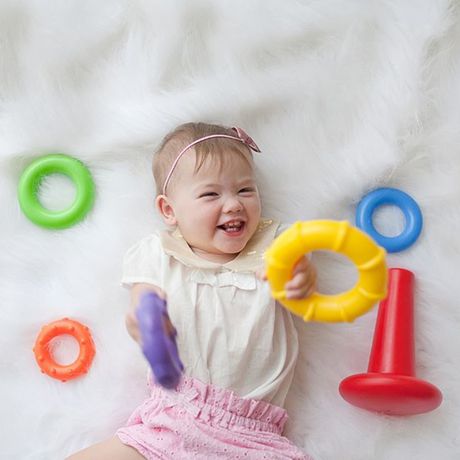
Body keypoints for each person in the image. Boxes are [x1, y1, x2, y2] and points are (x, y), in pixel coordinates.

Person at [68, 122, 316, 459]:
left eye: (245, 190)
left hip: (254, 436)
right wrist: (146, 318)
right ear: (169, 210)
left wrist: (300, 279)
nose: (234, 204)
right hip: (176, 417)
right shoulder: (159, 252)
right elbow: (144, 298)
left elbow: (305, 284)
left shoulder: (278, 245)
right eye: (211, 194)